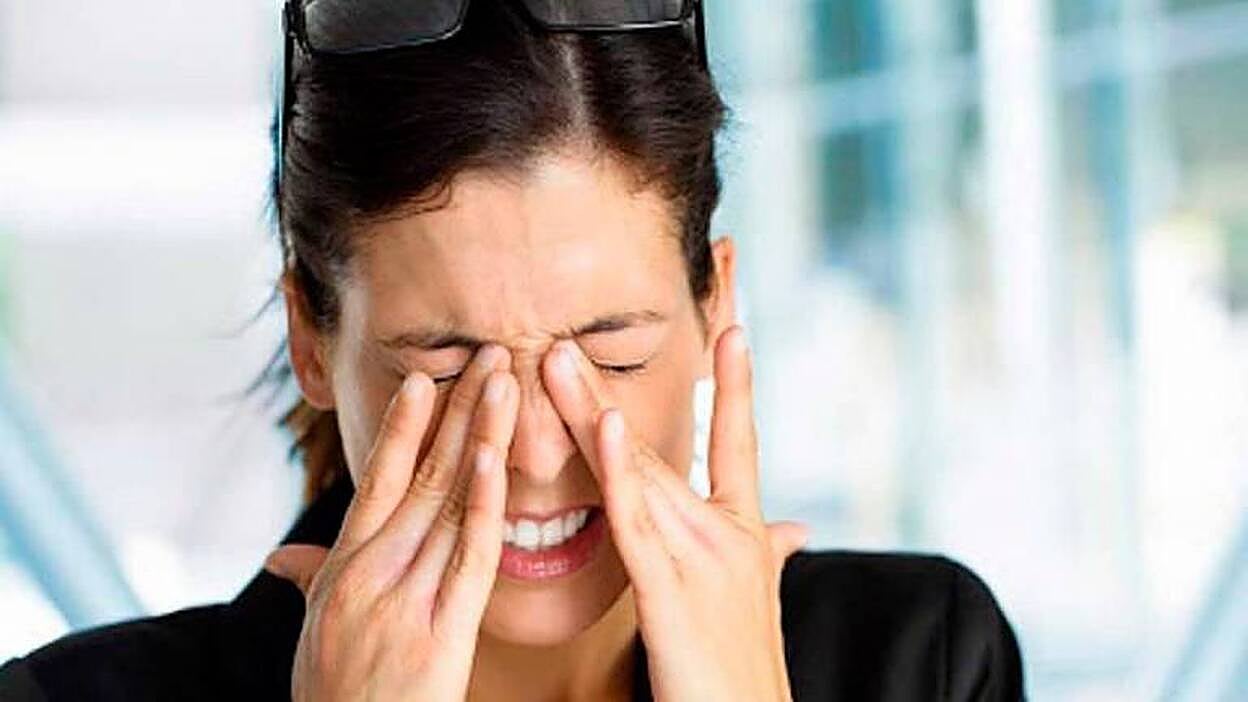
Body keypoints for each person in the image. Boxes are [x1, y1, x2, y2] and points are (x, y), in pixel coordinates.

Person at [0, 1, 1024, 699]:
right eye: (447, 368)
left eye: (611, 354)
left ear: (715, 306)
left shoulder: (923, 660)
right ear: (311, 338)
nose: (536, 453)